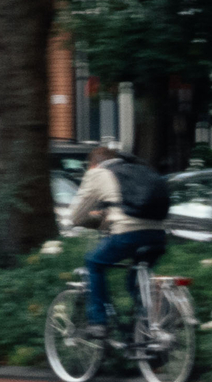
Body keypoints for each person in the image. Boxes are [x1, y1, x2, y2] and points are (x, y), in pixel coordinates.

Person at [64, 142, 168, 338]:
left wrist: (91, 221)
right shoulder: (139, 170)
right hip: (158, 235)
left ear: (93, 164)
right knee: (135, 279)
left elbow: (76, 216)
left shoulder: (98, 173)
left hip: (127, 234)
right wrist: (107, 217)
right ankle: (147, 329)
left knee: (93, 263)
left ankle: (98, 323)